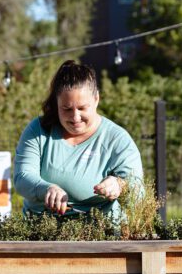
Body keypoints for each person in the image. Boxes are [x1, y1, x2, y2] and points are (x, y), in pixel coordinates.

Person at [14, 60, 143, 217]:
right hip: (40, 230)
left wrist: (120, 185)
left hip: (100, 233)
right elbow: (22, 178)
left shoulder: (117, 139)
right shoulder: (38, 130)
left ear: (96, 99)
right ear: (56, 103)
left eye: (82, 108)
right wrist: (46, 189)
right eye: (67, 109)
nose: (75, 117)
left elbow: (138, 190)